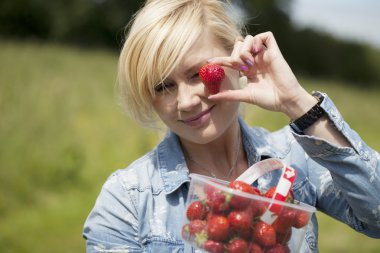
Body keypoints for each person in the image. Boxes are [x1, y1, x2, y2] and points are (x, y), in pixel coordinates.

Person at [83, 0, 380, 252]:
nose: (185, 101)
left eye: (199, 74)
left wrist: (296, 102)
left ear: (237, 58)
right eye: (163, 86)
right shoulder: (127, 201)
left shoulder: (295, 158)